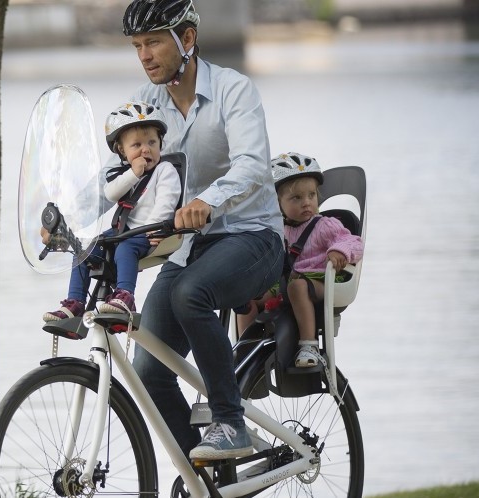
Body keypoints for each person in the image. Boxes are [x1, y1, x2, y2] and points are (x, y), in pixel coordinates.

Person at [111, 0, 285, 460]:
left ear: (186, 39)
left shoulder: (233, 89)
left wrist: (208, 200)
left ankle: (231, 424)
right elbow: (119, 174)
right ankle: (205, 479)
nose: (144, 55)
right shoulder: (144, 106)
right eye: (137, 46)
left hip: (253, 236)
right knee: (148, 367)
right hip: (192, 247)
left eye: (152, 42)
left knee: (191, 293)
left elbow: (252, 163)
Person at [43, 101, 181, 321]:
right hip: (123, 230)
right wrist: (133, 174)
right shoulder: (126, 174)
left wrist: (152, 228)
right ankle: (75, 302)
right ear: (122, 151)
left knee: (125, 248)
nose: (146, 149)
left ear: (160, 144)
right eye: (136, 145)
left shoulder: (165, 170)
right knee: (86, 248)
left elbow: (167, 201)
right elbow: (110, 194)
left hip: (148, 232)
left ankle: (125, 296)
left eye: (152, 142)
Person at [238, 153, 364, 367]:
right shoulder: (276, 229)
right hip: (285, 284)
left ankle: (309, 345)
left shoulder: (325, 225)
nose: (307, 203)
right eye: (296, 198)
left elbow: (353, 241)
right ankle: (245, 347)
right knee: (247, 295)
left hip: (319, 282)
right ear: (277, 203)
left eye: (311, 195)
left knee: (297, 287)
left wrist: (339, 251)